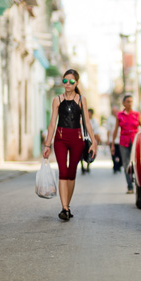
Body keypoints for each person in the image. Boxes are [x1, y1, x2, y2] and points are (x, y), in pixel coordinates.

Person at [42, 69, 98, 221]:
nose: (68, 84)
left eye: (71, 81)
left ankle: (68, 205)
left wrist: (94, 142)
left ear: (76, 83)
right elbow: (52, 123)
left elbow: (87, 122)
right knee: (63, 171)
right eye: (65, 81)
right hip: (60, 139)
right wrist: (47, 145)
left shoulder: (81, 100)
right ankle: (64, 208)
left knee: (72, 172)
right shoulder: (57, 100)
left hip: (77, 139)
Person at [111, 95, 141, 194]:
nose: (130, 103)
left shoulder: (137, 114)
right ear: (123, 103)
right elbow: (116, 130)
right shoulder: (120, 115)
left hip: (135, 142)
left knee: (136, 163)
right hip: (123, 142)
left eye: (131, 101)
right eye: (128, 101)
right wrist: (112, 144)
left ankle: (138, 184)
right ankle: (130, 186)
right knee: (126, 164)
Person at [79, 108, 100, 175]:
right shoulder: (80, 120)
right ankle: (82, 167)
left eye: (89, 113)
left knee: (90, 154)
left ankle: (88, 166)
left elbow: (96, 132)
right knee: (81, 155)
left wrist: (96, 142)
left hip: (90, 140)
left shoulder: (94, 122)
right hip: (81, 140)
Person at [106, 105, 122, 173]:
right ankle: (115, 167)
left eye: (116, 111)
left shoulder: (121, 117)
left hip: (120, 140)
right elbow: (108, 130)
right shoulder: (110, 119)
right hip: (112, 140)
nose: (115, 112)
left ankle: (119, 165)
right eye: (114, 111)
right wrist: (108, 140)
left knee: (120, 155)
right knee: (113, 155)